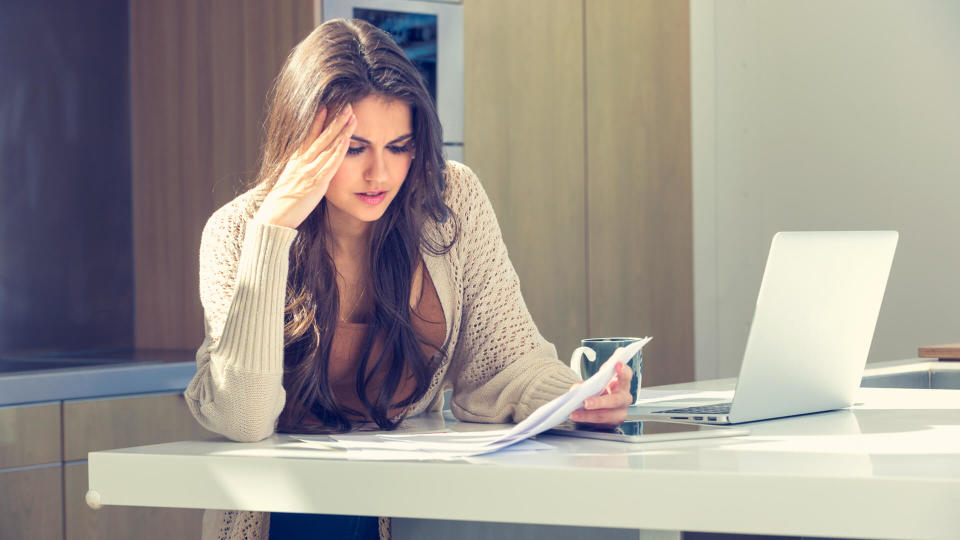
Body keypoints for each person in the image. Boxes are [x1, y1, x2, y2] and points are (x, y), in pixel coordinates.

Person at [184, 18, 633, 540]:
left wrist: (577, 398)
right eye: (353, 149)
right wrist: (274, 231)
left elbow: (505, 363)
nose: (381, 174)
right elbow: (242, 416)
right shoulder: (237, 232)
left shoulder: (449, 199)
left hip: (414, 507)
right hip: (294, 515)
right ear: (302, 141)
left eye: (399, 146)